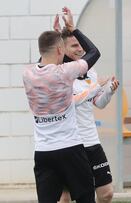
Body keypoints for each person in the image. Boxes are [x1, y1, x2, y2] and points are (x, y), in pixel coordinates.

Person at [23, 7, 100, 203]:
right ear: (60, 50)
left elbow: (45, 61)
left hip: (43, 152)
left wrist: (56, 35)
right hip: (70, 148)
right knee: (86, 198)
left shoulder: (28, 74)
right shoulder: (66, 72)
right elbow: (93, 52)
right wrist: (73, 29)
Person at [53, 14, 119, 203]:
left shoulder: (90, 72)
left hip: (91, 141)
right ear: (63, 48)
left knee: (106, 193)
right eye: (74, 45)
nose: (80, 48)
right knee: (65, 198)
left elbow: (98, 103)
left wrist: (108, 91)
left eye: (81, 44)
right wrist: (96, 86)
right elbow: (71, 102)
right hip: (69, 144)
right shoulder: (59, 72)